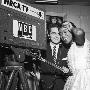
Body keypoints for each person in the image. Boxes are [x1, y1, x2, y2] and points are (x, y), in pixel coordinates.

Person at [39, 24, 70, 90]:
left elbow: (72, 69)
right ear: (48, 35)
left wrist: (68, 71)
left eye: (59, 34)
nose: (56, 36)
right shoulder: (41, 48)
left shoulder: (68, 49)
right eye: (53, 33)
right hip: (44, 85)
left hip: (62, 85)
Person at [60, 24, 90, 90]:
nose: (62, 35)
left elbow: (79, 33)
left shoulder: (80, 43)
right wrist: (68, 72)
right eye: (60, 33)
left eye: (65, 32)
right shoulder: (72, 47)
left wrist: (72, 29)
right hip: (74, 81)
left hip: (85, 81)